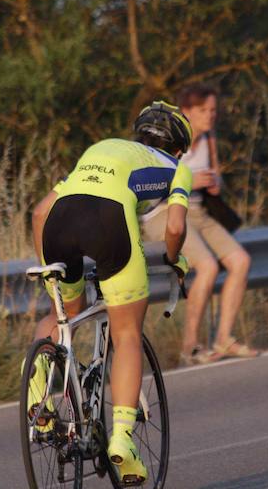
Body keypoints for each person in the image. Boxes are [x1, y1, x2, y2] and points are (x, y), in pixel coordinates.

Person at [29, 101, 193, 485]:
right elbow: (175, 225)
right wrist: (174, 259)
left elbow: (39, 213)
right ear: (179, 148)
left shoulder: (102, 148)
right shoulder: (177, 168)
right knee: (126, 333)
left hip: (60, 223)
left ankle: (38, 391)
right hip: (110, 222)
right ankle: (122, 440)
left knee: (63, 316)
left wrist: (51, 275)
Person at [141, 84, 259, 365]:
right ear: (186, 112)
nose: (211, 116)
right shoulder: (167, 139)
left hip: (198, 211)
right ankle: (190, 346)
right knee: (207, 266)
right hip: (165, 213)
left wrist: (216, 183)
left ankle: (224, 339)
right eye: (204, 110)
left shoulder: (209, 139)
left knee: (240, 260)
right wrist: (191, 180)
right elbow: (151, 186)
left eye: (213, 110)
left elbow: (214, 180)